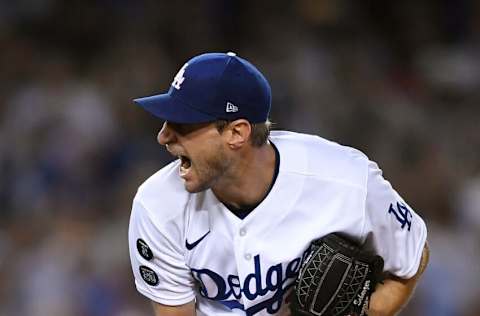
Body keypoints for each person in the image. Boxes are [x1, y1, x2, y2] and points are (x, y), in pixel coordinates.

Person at [128, 52, 429, 316]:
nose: (163, 136)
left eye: (182, 124)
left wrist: (370, 312)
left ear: (237, 133)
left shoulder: (346, 180)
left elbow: (412, 255)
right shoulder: (157, 205)